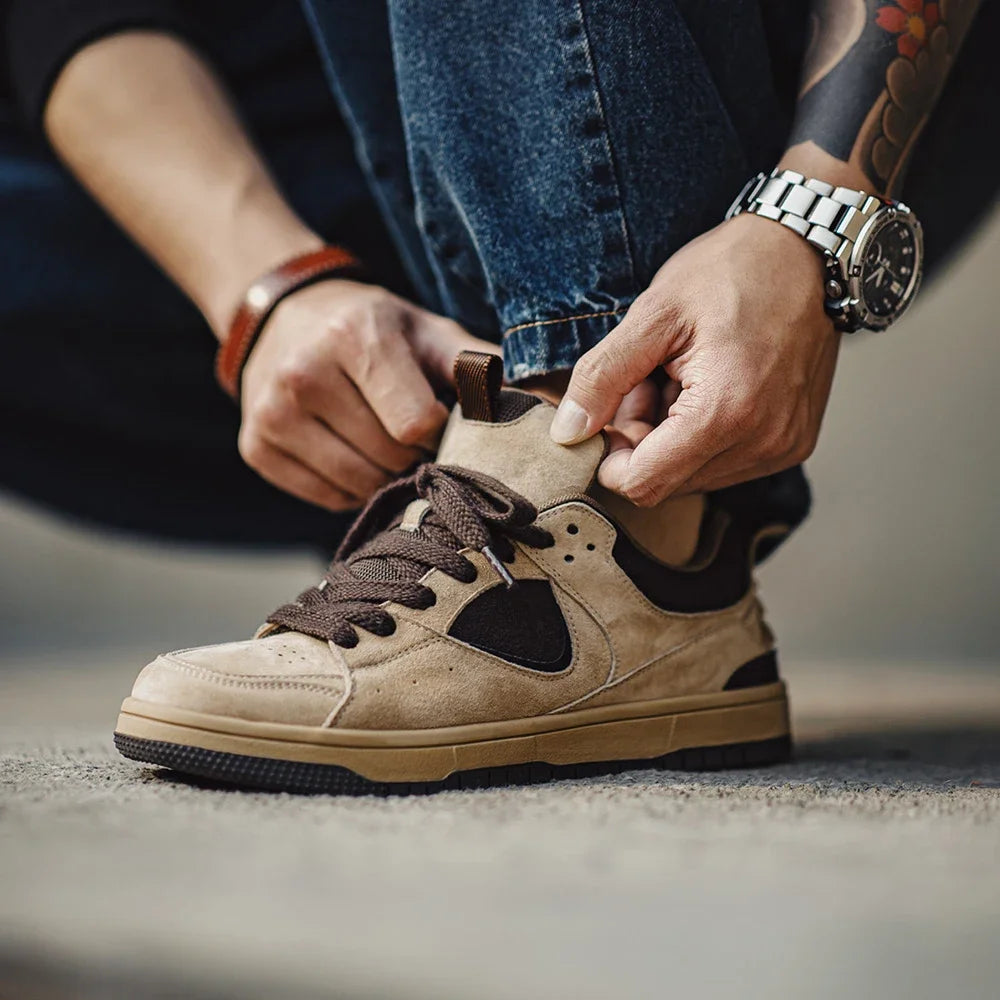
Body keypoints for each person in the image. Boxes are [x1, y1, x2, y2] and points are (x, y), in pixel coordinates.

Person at [3, 1, 993, 793]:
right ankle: (475, 487)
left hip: (806, 116)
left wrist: (812, 211)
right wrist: (269, 289)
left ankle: (609, 517)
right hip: (355, 157)